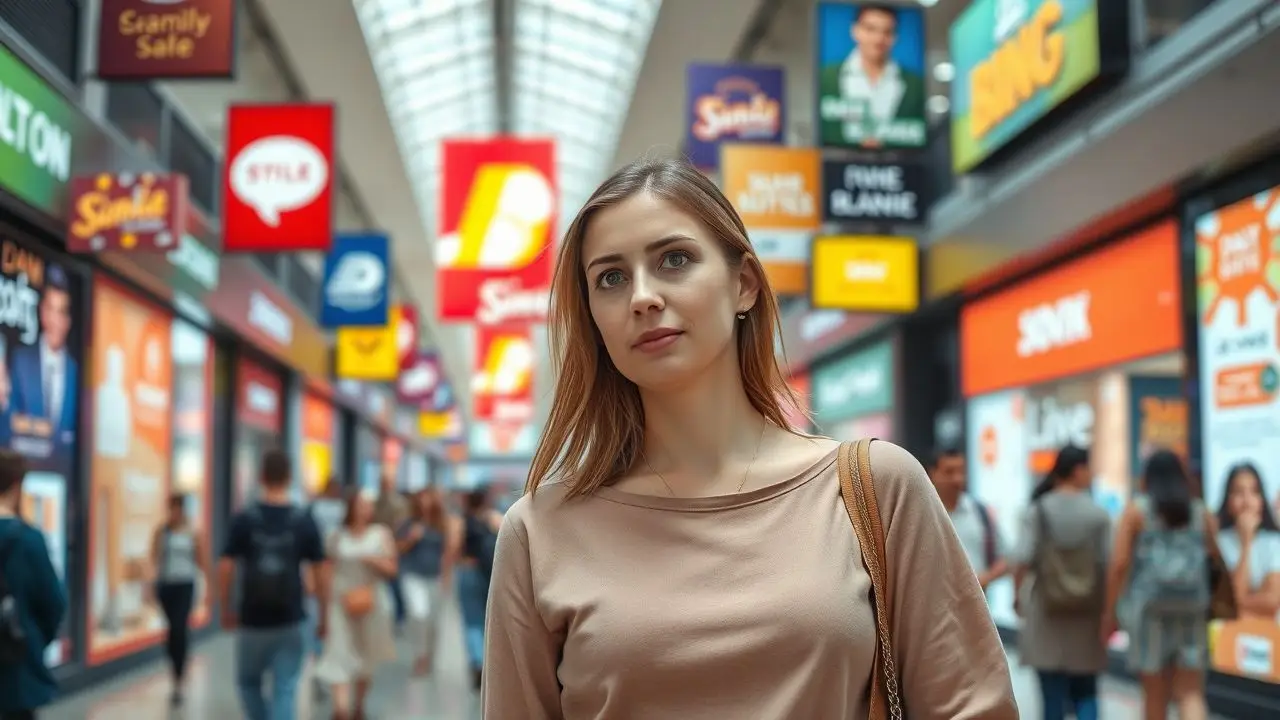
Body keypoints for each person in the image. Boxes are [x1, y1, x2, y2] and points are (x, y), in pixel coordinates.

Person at [481, 155, 1017, 717]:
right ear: (592, 314)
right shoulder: (540, 533)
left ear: (744, 286)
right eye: (610, 278)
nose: (642, 296)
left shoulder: (876, 489)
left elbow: (973, 706)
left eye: (674, 259)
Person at [1104, 450, 1215, 720]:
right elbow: (1214, 560)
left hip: (1149, 611)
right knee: (1190, 692)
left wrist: (1110, 613)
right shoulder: (1200, 512)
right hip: (1192, 609)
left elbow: (1119, 564)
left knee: (1154, 693)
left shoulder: (1137, 511)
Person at [219, 449, 328, 720]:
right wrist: (323, 616)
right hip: (291, 619)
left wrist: (224, 607)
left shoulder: (244, 519)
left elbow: (225, 566)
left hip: (252, 619)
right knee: (286, 688)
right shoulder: (303, 520)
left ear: (262, 476)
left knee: (248, 683)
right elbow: (322, 572)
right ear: (290, 478)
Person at [1013, 445, 1109, 720]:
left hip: (1046, 616)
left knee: (1051, 699)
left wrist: (1018, 596)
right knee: (1086, 693)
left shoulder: (1038, 511)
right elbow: (1111, 565)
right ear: (1078, 471)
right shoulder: (1098, 515)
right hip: (1086, 618)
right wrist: (1109, 612)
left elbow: (1021, 559)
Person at [314, 488, 398, 720]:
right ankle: (340, 709)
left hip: (371, 603)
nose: (366, 509)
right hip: (340, 603)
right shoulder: (336, 536)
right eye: (362, 504)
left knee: (365, 655)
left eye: (369, 505)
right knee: (338, 651)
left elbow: (392, 569)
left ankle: (358, 705)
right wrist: (322, 602)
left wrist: (374, 560)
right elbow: (326, 570)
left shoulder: (380, 534)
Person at [0, 450, 65, 720]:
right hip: (16, 670)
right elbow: (54, 603)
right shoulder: (28, 540)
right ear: (16, 487)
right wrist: (31, 637)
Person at [818, 3, 925, 148]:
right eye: (870, 29)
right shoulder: (826, 77)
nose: (878, 39)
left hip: (898, 165)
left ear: (895, 37)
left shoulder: (915, 85)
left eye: (887, 32)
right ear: (855, 31)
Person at [149, 493, 209, 708]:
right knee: (171, 632)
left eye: (178, 508)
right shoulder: (162, 531)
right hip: (167, 586)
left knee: (179, 628)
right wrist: (150, 585)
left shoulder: (193, 532)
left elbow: (202, 560)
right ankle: (175, 663)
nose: (175, 513)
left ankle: (179, 679)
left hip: (185, 585)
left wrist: (209, 589)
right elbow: (155, 558)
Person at [9, 265, 77, 452]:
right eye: (51, 309)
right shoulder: (21, 361)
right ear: (42, 313)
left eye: (61, 312)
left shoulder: (76, 372)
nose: (55, 320)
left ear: (68, 321)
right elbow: (9, 420)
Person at [396, 487, 459, 675]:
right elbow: (398, 548)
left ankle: (429, 655)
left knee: (433, 620)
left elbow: (447, 553)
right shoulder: (407, 524)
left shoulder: (441, 524)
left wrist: (446, 577)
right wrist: (411, 539)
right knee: (419, 613)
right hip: (412, 575)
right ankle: (419, 655)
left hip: (434, 576)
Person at [927, 447, 1009, 591]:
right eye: (949, 472)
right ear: (932, 473)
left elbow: (1005, 559)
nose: (957, 479)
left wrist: (983, 579)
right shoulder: (922, 514)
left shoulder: (980, 512)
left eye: (961, 472)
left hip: (977, 606)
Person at [1214, 463, 1280, 619]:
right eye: (1238, 492)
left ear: (1261, 500)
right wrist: (1246, 544)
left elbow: (1272, 601)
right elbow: (1228, 600)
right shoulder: (1218, 543)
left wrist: (1241, 609)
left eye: (1254, 492)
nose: (1247, 500)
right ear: (1228, 502)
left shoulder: (1274, 543)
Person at [459, 488, 500, 690]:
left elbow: (453, 547)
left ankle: (477, 661)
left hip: (468, 571)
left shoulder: (461, 520)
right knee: (487, 619)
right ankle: (487, 661)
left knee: (472, 620)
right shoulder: (491, 519)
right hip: (489, 573)